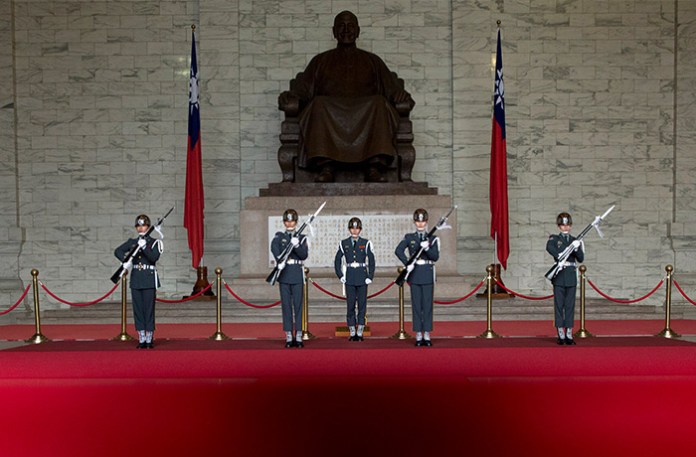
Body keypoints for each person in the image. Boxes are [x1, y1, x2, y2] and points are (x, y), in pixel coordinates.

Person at [278, 10, 415, 183]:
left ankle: (374, 166)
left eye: (350, 26)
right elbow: (303, 89)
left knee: (379, 103)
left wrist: (400, 95)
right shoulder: (320, 61)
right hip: (329, 111)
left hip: (367, 111)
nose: (346, 30)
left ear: (357, 31)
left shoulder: (373, 61)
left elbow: (391, 89)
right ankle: (326, 165)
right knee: (318, 103)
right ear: (334, 32)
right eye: (341, 26)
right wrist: (290, 96)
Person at [114, 214, 163, 349]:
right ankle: (141, 336)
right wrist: (127, 260)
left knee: (148, 309)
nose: (141, 228)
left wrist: (144, 247)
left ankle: (149, 336)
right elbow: (118, 251)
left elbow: (153, 258)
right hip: (136, 279)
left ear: (148, 227)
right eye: (139, 226)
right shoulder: (132, 242)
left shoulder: (154, 242)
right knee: (138, 309)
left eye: (144, 225)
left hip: (148, 279)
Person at [395, 209, 440, 346]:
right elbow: (398, 250)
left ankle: (427, 334)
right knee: (416, 305)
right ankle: (418, 335)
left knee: (427, 306)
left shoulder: (432, 238)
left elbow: (435, 257)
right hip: (414, 274)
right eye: (418, 221)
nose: (420, 224)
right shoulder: (409, 237)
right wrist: (407, 263)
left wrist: (427, 248)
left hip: (427, 274)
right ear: (415, 222)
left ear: (426, 222)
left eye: (423, 221)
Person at [271, 209, 309, 348]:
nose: (290, 223)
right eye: (287, 221)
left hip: (297, 274)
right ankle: (288, 335)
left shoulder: (302, 238)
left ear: (296, 222)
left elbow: (304, 255)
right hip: (285, 273)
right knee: (286, 306)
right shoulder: (279, 237)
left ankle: (298, 335)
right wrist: (279, 260)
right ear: (284, 222)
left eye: (292, 221)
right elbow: (274, 249)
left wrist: (297, 245)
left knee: (298, 306)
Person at [334, 217, 376, 341]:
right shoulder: (344, 243)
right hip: (350, 277)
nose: (354, 230)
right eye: (352, 228)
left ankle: (360, 330)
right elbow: (337, 260)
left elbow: (372, 261)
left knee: (362, 305)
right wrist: (340, 275)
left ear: (360, 229)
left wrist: (370, 276)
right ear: (349, 229)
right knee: (350, 305)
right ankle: (352, 330)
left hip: (362, 277)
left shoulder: (366, 243)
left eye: (357, 228)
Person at [546, 212, 585, 345]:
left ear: (571, 225)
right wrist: (562, 252)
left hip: (570, 276)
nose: (565, 227)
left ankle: (569, 333)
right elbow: (549, 248)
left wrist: (576, 247)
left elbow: (580, 258)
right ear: (559, 226)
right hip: (559, 276)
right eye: (563, 225)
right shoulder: (554, 239)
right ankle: (560, 334)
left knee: (570, 306)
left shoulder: (575, 240)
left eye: (567, 225)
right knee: (559, 306)